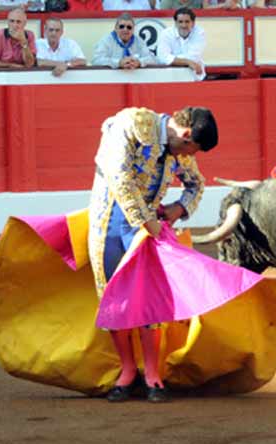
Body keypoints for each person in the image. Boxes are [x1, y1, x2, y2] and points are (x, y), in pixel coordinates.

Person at [88, 105, 218, 403]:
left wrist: (179, 208)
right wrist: (147, 223)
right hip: (108, 221)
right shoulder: (130, 125)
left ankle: (152, 373)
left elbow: (196, 183)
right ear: (186, 135)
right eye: (193, 149)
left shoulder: (178, 148)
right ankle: (127, 370)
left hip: (147, 225)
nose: (190, 157)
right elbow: (120, 179)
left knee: (149, 295)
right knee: (112, 293)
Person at [155, 7, 206, 81]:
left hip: (195, 78)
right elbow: (162, 57)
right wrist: (188, 62)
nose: (184, 25)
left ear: (193, 23)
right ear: (175, 23)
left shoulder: (199, 33)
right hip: (171, 78)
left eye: (187, 21)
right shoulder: (166, 33)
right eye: (180, 22)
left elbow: (194, 57)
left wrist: (172, 59)